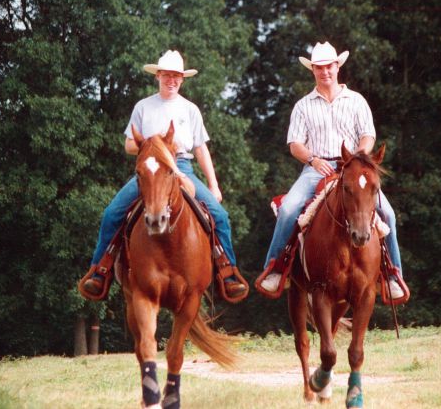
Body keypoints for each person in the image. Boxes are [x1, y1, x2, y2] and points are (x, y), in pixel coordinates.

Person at [82, 50, 247, 300]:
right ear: (158, 76)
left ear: (182, 79)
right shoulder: (143, 107)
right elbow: (129, 144)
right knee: (112, 213)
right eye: (167, 75)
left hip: (183, 168)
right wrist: (154, 144)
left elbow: (201, 148)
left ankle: (228, 272)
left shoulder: (190, 109)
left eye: (177, 77)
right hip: (151, 169)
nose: (172, 81)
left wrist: (214, 185)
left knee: (220, 217)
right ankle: (99, 270)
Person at [260, 42, 405, 298]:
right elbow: (295, 144)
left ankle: (393, 275)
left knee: (389, 214)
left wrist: (358, 157)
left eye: (329, 66)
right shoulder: (303, 106)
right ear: (313, 70)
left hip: (353, 168)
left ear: (337, 67)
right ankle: (276, 268)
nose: (324, 71)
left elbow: (368, 135)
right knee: (289, 208)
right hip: (317, 167)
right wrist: (313, 159)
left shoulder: (356, 101)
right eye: (319, 67)